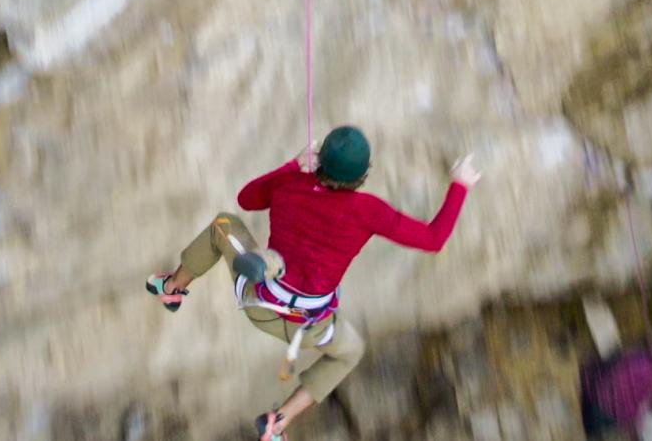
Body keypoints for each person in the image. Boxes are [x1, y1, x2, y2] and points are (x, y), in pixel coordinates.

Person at [147, 125, 481, 440]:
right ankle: (278, 421)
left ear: (320, 161)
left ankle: (173, 288)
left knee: (224, 225)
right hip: (308, 327)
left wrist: (293, 166)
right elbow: (434, 238)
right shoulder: (369, 211)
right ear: (363, 175)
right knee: (349, 352)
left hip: (258, 302)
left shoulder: (291, 185)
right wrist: (460, 184)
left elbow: (246, 199)